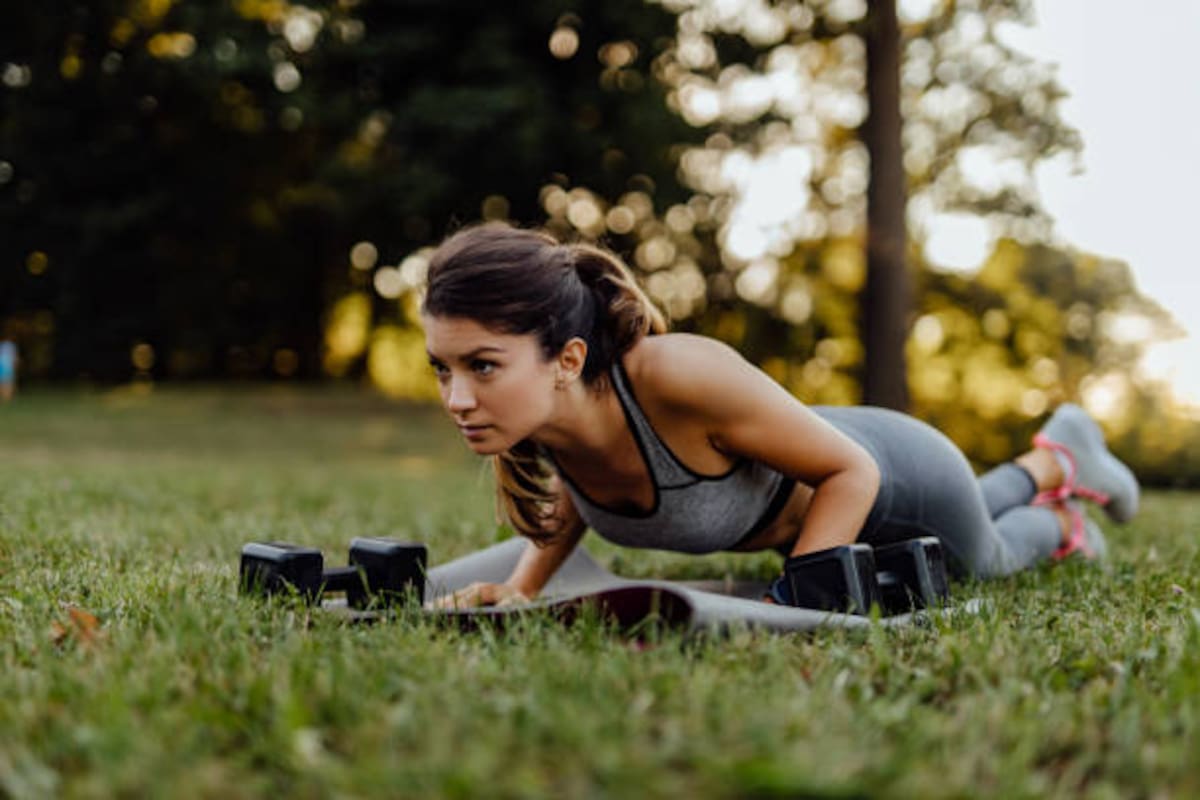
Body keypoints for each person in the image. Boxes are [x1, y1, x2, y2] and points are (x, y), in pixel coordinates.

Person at [420, 223, 1139, 607]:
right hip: (834, 487)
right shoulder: (544, 411)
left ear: (568, 359)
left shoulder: (676, 376)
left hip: (891, 467)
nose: (457, 399)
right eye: (443, 368)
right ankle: (1053, 457)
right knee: (976, 520)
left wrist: (797, 599)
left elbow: (851, 470)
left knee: (985, 559)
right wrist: (521, 588)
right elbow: (584, 487)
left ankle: (1063, 519)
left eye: (482, 366)